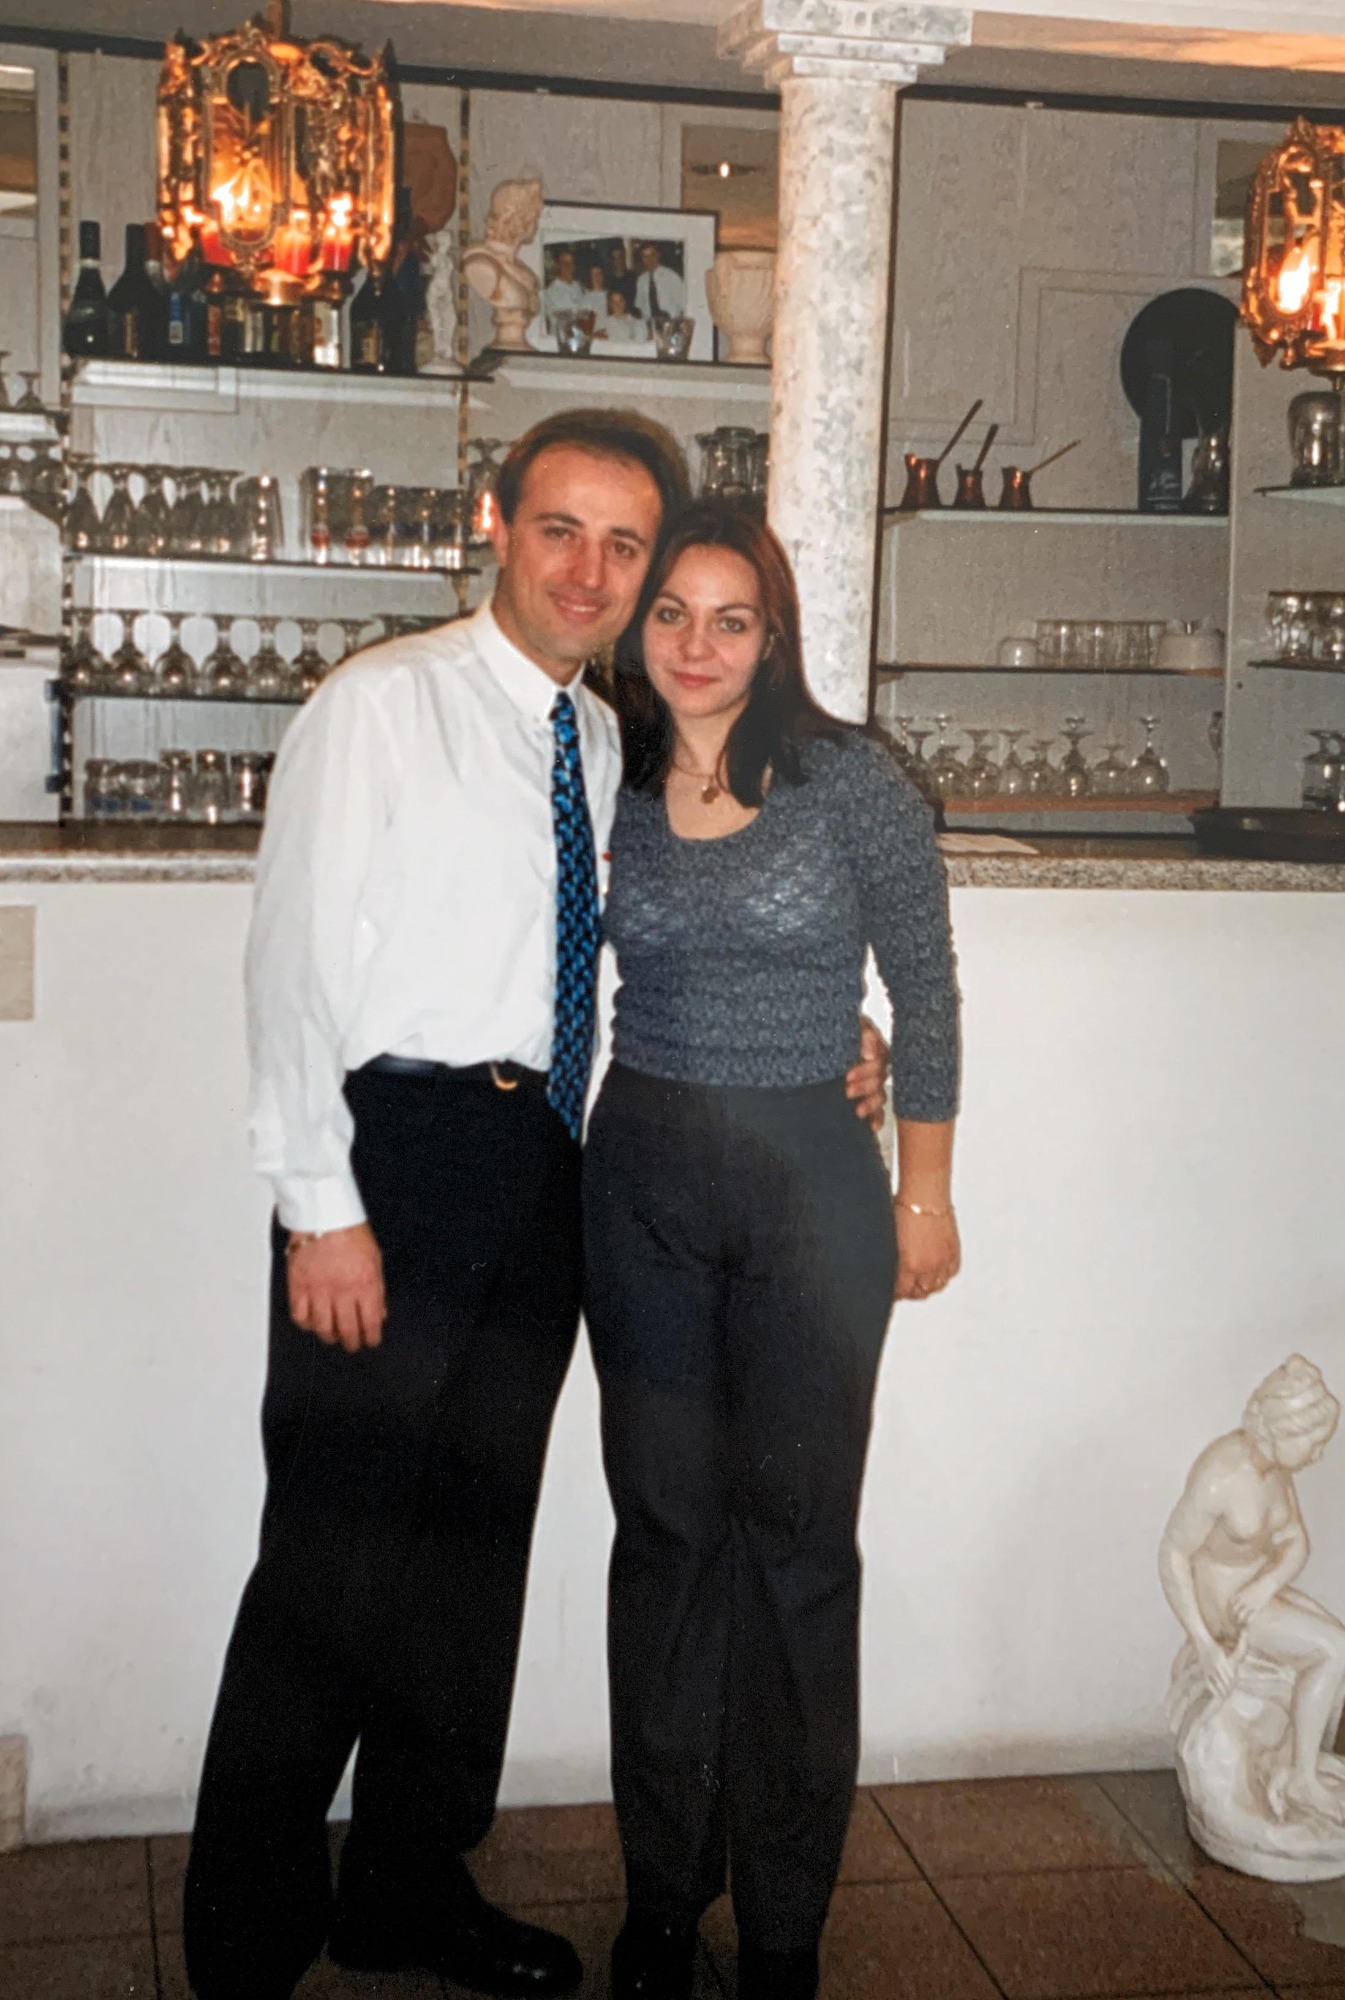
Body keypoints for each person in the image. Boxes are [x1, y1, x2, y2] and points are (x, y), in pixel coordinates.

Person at [183, 417, 888, 2000]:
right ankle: (241, 1939)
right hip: (394, 1160)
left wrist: (839, 1031)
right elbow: (290, 967)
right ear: (494, 522)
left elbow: (681, 934)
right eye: (560, 528)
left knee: (470, 1563)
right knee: (332, 1562)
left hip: (554, 1162)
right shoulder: (382, 707)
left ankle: (406, 1888)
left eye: (624, 545)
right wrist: (320, 1207)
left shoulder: (605, 739)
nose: (590, 569)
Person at [583, 502, 962, 2000]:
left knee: (799, 1549)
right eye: (671, 612)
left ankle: (785, 1918)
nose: (696, 644)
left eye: (729, 618)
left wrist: (923, 1194)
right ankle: (662, 1893)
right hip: (644, 1176)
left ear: (774, 633)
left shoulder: (846, 779)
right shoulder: (599, 769)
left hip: (814, 1186)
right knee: (665, 1538)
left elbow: (926, 991)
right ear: (638, 626)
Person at [1160, 1355, 1345, 1840]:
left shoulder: (1275, 1470)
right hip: (1225, 1609)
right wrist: (1203, 1643)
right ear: (1282, 1429)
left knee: (1337, 1642)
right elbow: (1173, 1554)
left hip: (1255, 1594)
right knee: (1333, 1651)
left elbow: (1295, 1542)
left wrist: (1266, 1584)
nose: (1318, 1454)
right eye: (1314, 1441)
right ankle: (1302, 1780)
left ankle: (1301, 1763)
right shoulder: (1220, 1475)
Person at [633, 242, 687, 322]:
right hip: (650, 325)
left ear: (658, 255)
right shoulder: (641, 281)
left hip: (670, 323)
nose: (649, 260)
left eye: (652, 255)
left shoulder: (672, 277)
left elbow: (683, 304)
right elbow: (640, 306)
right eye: (645, 257)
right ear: (642, 259)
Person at [542, 248, 585, 328]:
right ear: (558, 266)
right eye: (564, 263)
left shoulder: (578, 286)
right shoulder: (551, 292)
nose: (568, 266)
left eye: (571, 263)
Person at [581, 261, 611, 326]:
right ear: (590, 277)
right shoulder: (585, 298)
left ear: (603, 276)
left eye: (599, 274)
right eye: (593, 274)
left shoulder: (610, 295)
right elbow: (584, 321)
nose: (597, 277)